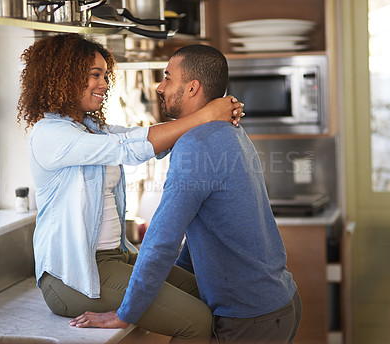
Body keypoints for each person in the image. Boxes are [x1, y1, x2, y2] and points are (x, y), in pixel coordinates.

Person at [17, 34, 244, 343]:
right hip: (74, 277)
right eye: (94, 75)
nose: (104, 84)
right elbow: (129, 147)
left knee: (207, 291)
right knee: (197, 321)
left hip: (117, 258)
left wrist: (215, 115)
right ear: (64, 76)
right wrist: (207, 114)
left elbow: (152, 142)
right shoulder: (48, 135)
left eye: (104, 76)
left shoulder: (93, 129)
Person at [70, 45, 302, 343]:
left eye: (168, 77)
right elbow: (204, 227)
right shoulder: (229, 131)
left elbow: (161, 239)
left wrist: (126, 313)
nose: (159, 86)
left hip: (247, 318)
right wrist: (176, 285)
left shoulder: (197, 144)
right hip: (277, 303)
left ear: (192, 88)